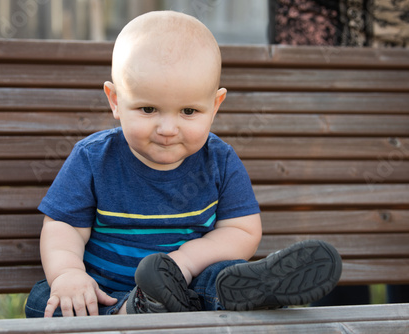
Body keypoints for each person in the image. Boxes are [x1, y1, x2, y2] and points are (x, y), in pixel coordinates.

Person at [25, 10, 342, 318]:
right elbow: (64, 227)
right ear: (115, 100)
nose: (167, 128)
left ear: (215, 106)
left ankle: (249, 293)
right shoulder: (94, 159)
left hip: (188, 287)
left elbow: (241, 229)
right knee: (44, 299)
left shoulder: (219, 161)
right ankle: (132, 310)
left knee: (219, 274)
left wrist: (186, 262)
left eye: (188, 112)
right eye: (148, 109)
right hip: (104, 289)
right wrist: (68, 273)